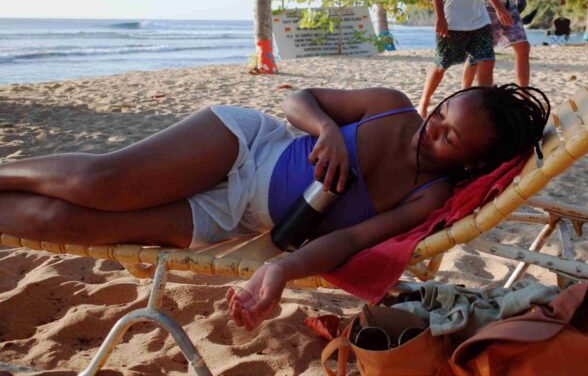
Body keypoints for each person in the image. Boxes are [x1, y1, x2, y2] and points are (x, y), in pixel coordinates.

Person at [0, 83, 550, 331]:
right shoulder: (391, 108)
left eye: (449, 140)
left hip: (235, 218)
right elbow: (296, 100)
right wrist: (328, 130)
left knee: (66, 223)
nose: (434, 128)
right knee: (103, 182)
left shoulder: (426, 197)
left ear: (474, 165)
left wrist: (282, 269)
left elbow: (355, 241)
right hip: (243, 147)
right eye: (444, 112)